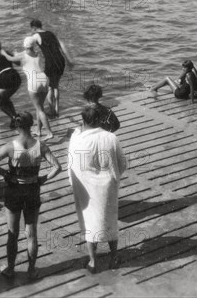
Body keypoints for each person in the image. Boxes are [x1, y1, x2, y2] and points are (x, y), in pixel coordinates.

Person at [0, 112, 61, 280]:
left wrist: (5, 174)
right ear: (31, 124)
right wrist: (43, 179)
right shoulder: (40, 146)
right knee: (32, 233)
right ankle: (31, 270)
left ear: (17, 126)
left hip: (14, 191)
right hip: (32, 190)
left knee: (12, 232)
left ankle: (10, 269)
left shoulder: (10, 146)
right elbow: (57, 167)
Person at [68, 105, 127, 273]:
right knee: (110, 220)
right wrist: (111, 178)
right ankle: (114, 256)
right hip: (108, 187)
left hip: (85, 188)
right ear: (98, 120)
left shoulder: (77, 138)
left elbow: (72, 165)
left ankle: (93, 262)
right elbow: (122, 164)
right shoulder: (110, 138)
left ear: (83, 120)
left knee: (90, 222)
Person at [1, 37, 52, 140]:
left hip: (34, 81)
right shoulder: (38, 53)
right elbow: (25, 53)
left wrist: (3, 53)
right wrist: (17, 53)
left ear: (25, 46)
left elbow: (10, 59)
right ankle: (38, 130)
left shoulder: (23, 56)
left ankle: (49, 133)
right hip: (44, 79)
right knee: (39, 107)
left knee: (40, 109)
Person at [30, 19, 74, 119]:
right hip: (60, 60)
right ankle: (57, 109)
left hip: (50, 63)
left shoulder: (36, 36)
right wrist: (68, 60)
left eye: (31, 29)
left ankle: (51, 111)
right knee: (56, 86)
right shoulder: (51, 33)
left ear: (34, 28)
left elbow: (29, 47)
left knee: (49, 87)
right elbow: (62, 45)